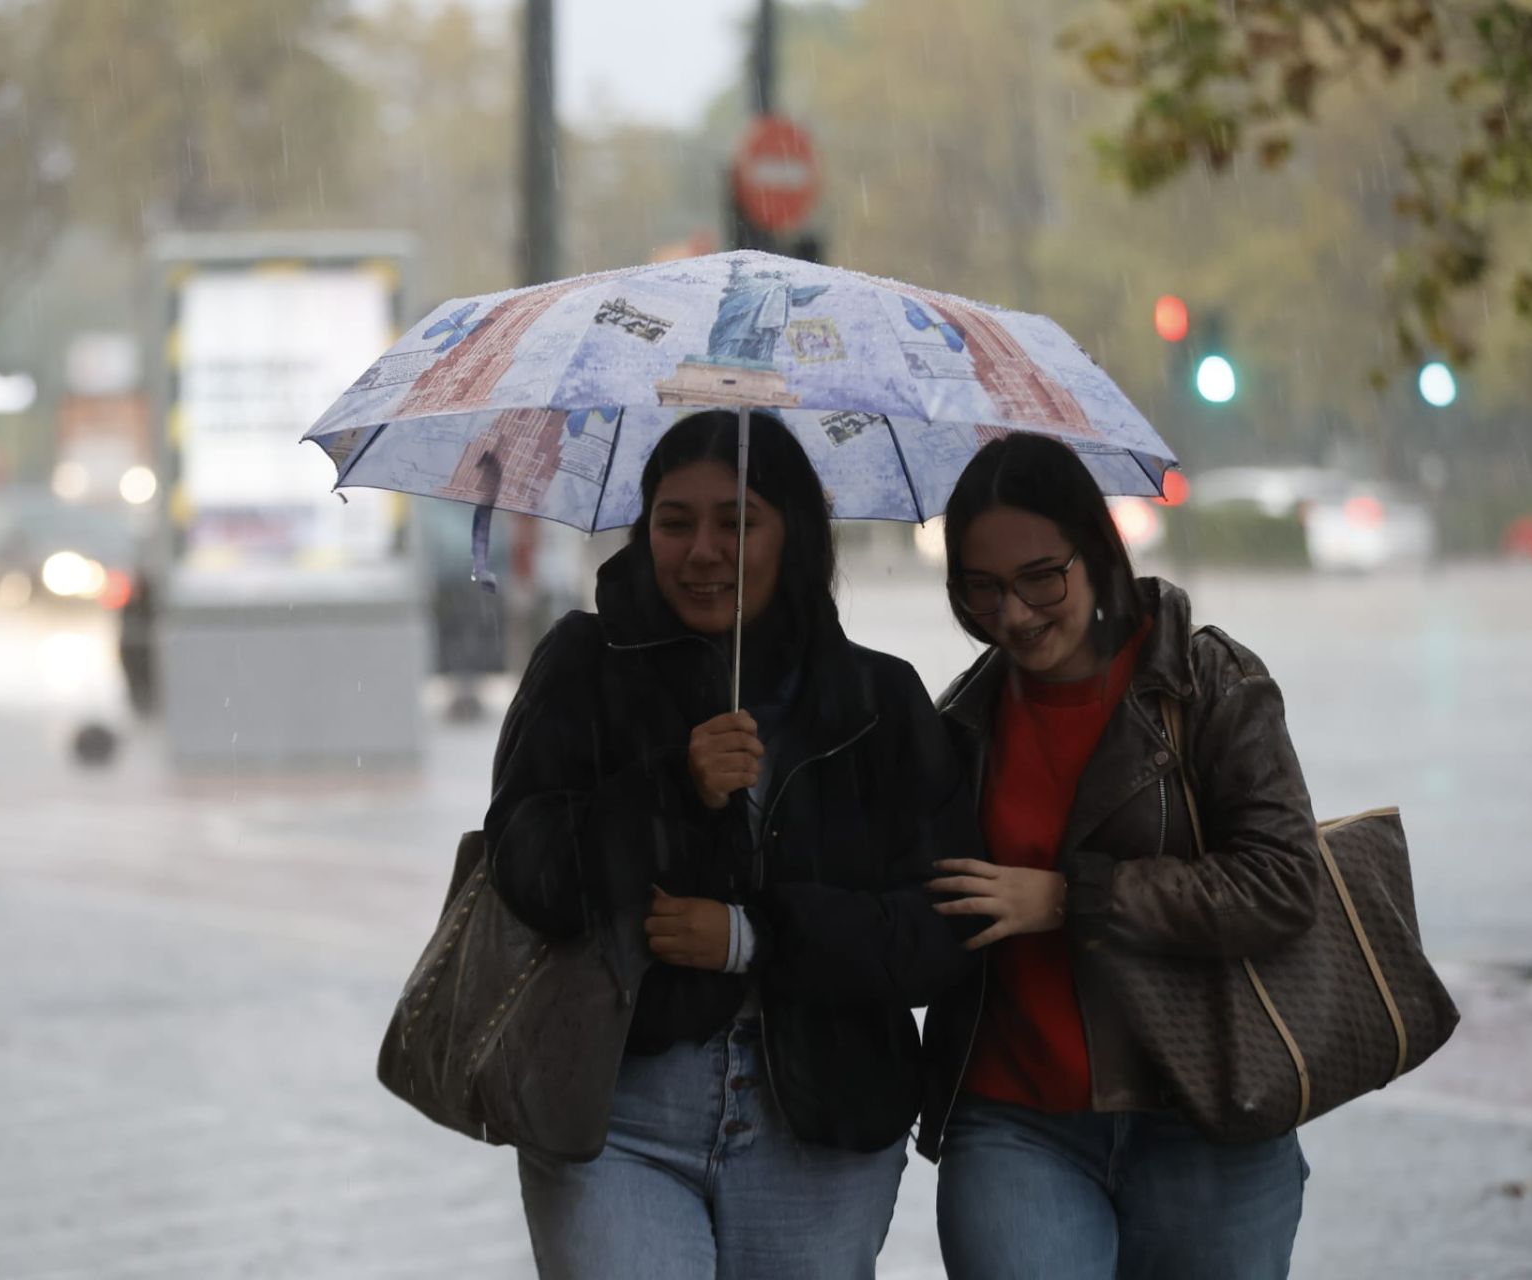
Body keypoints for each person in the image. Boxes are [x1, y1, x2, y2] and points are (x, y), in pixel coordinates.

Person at [486, 409, 975, 1279]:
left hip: (822, 1118)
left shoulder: (878, 701)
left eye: (738, 523)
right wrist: (673, 787)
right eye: (675, 522)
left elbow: (938, 937)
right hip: (619, 1110)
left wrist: (759, 938)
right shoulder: (584, 667)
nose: (703, 551)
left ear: (795, 534)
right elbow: (529, 872)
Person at [918, 432, 1320, 1280]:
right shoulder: (961, 722)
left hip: (1206, 1116)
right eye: (981, 588)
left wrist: (1073, 900)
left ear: (1097, 550)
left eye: (1040, 578)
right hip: (1014, 1123)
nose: (1013, 614)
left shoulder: (1207, 683)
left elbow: (1284, 883)